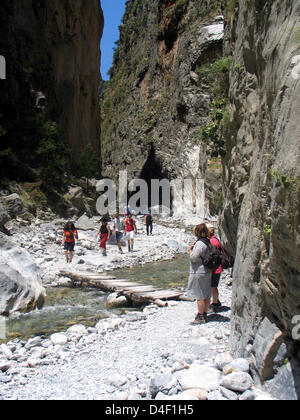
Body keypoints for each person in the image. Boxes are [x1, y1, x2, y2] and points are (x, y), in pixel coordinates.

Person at [186, 224, 213, 325]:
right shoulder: (207, 241)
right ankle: (205, 313)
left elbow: (194, 258)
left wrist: (190, 251)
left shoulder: (199, 243)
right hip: (207, 271)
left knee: (199, 295)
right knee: (206, 293)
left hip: (199, 271)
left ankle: (200, 316)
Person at [207, 224, 223, 312]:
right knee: (213, 286)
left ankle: (215, 304)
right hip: (217, 267)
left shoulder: (212, 241)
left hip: (215, 268)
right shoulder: (215, 239)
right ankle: (216, 301)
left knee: (213, 286)